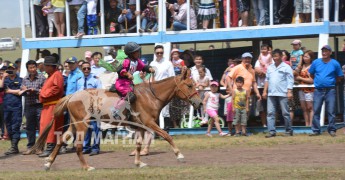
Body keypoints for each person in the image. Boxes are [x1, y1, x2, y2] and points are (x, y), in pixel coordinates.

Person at [130, 44, 175, 156]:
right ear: (155, 53)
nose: (159, 54)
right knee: (140, 123)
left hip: (162, 94)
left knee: (151, 122)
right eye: (157, 52)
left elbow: (171, 79)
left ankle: (147, 148)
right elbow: (149, 80)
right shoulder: (152, 64)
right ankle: (139, 148)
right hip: (151, 94)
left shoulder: (168, 63)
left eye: (161, 52)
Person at [112, 42, 155, 119]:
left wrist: (149, 68)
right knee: (130, 96)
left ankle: (131, 111)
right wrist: (128, 74)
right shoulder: (126, 61)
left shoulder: (137, 61)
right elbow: (120, 70)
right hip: (122, 83)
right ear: (131, 53)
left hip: (129, 83)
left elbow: (143, 67)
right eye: (137, 52)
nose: (138, 53)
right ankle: (115, 110)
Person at [309, 45, 343, 137]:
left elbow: (340, 76)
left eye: (326, 51)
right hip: (318, 90)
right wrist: (319, 81)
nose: (324, 53)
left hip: (330, 90)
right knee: (316, 110)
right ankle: (316, 130)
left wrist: (332, 82)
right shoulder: (316, 62)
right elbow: (311, 74)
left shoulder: (335, 63)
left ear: (330, 53)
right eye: (323, 51)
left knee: (331, 111)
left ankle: (332, 130)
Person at [262, 49, 294, 138]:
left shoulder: (286, 67)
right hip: (271, 93)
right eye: (273, 56)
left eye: (276, 56)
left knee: (285, 113)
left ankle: (288, 130)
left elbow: (290, 80)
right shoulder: (270, 67)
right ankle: (271, 131)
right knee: (270, 113)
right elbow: (267, 80)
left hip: (283, 93)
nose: (275, 58)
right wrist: (265, 91)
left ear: (280, 56)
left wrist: (289, 91)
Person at [38, 56, 64, 157]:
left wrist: (43, 94)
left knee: (51, 127)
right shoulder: (51, 75)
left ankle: (51, 147)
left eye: (46, 65)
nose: (44, 67)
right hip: (48, 105)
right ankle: (49, 146)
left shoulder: (57, 75)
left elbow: (56, 89)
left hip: (53, 105)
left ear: (51, 66)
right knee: (46, 126)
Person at [77, 62, 102, 156]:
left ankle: (95, 148)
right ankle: (86, 147)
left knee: (95, 128)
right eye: (84, 69)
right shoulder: (79, 80)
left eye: (88, 68)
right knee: (85, 128)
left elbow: (100, 92)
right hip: (83, 108)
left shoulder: (95, 80)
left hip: (93, 106)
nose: (86, 70)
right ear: (81, 69)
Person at [21, 60, 46, 155]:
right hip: (29, 106)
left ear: (37, 67)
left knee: (40, 127)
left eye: (34, 67)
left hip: (39, 105)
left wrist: (34, 90)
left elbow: (44, 91)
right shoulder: (25, 79)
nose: (32, 69)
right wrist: (23, 90)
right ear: (27, 69)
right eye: (30, 68)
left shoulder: (42, 78)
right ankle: (30, 147)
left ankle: (40, 148)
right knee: (29, 128)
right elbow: (22, 90)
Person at [1, 63, 23, 155]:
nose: (11, 71)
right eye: (9, 69)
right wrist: (3, 77)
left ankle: (14, 146)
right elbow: (1, 88)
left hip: (16, 107)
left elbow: (21, 91)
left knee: (15, 126)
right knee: (9, 127)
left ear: (16, 69)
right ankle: (13, 146)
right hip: (6, 107)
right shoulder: (5, 80)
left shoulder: (20, 80)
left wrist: (10, 91)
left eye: (12, 69)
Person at [294, 50, 314, 127]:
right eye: (304, 57)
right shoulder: (301, 66)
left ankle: (311, 124)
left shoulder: (312, 67)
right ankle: (306, 124)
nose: (305, 58)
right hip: (301, 89)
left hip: (309, 90)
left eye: (306, 57)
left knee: (310, 107)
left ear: (311, 58)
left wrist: (300, 78)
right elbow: (295, 74)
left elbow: (311, 80)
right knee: (304, 108)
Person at [0, 66, 7, 140]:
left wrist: (4, 78)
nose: (2, 73)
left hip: (3, 102)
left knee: (3, 119)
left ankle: (3, 134)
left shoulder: (6, 79)